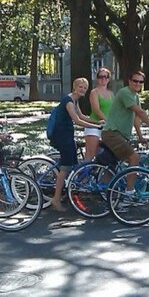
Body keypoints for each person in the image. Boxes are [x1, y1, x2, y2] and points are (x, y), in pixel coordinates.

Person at [49, 77, 103, 212]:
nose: (83, 90)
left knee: (72, 164)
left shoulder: (74, 100)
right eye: (80, 87)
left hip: (67, 136)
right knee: (65, 168)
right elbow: (77, 120)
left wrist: (98, 122)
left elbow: (83, 116)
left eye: (85, 88)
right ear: (75, 87)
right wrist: (95, 127)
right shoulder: (68, 101)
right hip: (61, 136)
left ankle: (66, 192)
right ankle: (56, 199)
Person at [101, 70, 149, 191]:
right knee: (134, 158)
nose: (138, 84)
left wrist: (140, 136)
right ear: (129, 81)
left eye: (141, 82)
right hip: (112, 133)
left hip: (121, 135)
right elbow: (140, 112)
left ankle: (105, 192)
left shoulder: (135, 96)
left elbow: (136, 119)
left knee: (112, 166)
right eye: (135, 81)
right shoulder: (125, 92)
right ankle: (129, 192)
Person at [85, 67, 114, 161]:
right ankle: (82, 175)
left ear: (109, 79)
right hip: (94, 126)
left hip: (107, 127)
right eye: (101, 77)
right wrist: (107, 121)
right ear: (97, 78)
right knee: (90, 154)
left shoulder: (111, 94)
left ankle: (98, 174)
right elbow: (96, 110)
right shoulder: (94, 92)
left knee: (105, 154)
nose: (103, 79)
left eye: (106, 77)